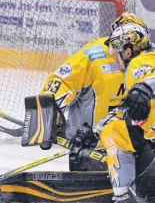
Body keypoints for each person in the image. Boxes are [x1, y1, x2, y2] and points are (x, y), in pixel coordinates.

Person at [21, 14, 139, 171]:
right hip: (90, 150)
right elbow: (60, 82)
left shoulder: (146, 57)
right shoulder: (91, 57)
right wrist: (45, 119)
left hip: (131, 147)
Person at [69, 16, 155, 202]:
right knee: (115, 129)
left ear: (129, 47)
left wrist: (146, 87)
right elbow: (125, 110)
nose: (116, 57)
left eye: (118, 50)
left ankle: (123, 197)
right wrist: (94, 132)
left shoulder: (141, 65)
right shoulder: (140, 66)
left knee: (114, 133)